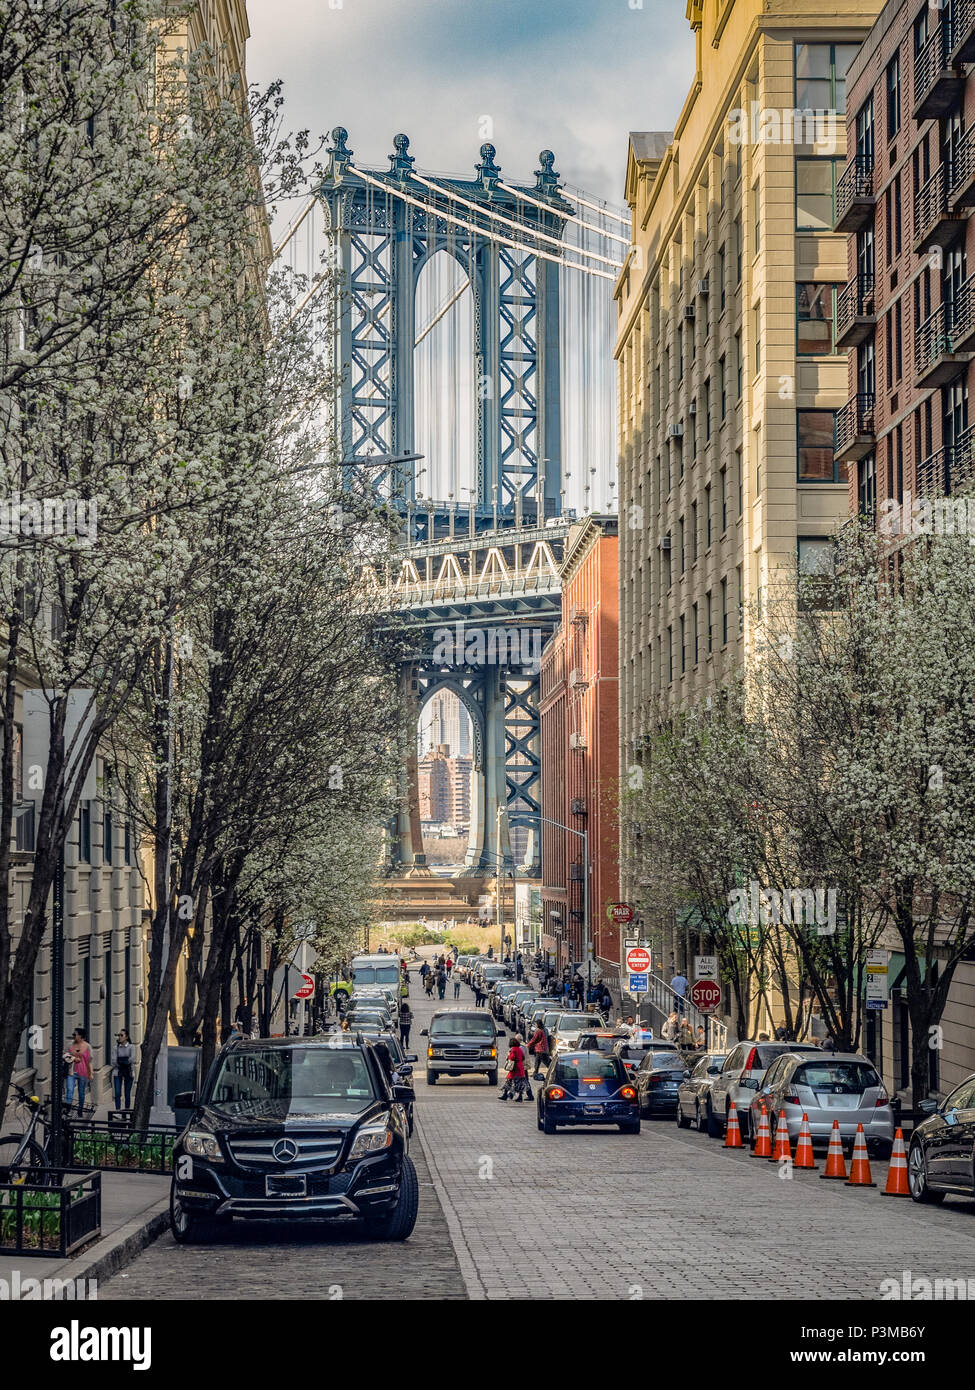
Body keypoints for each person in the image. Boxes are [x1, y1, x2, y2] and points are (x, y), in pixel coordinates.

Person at [65, 1028, 92, 1116]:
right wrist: (73, 1058)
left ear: (80, 1036)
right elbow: (64, 1055)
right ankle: (68, 1110)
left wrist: (90, 1073)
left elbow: (89, 1060)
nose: (73, 1036)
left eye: (75, 1034)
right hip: (71, 1071)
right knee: (69, 1090)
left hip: (83, 1072)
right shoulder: (70, 1045)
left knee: (81, 1092)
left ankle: (80, 1110)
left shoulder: (87, 1046)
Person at [499, 1034, 531, 1101]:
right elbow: (523, 1057)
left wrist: (509, 1055)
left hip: (515, 1068)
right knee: (519, 1083)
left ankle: (506, 1095)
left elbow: (511, 1058)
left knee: (509, 1081)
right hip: (520, 1067)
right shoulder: (520, 1048)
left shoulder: (513, 1049)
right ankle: (518, 1096)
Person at [111, 1029, 136, 1110]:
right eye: (119, 1035)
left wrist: (122, 1061)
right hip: (117, 1072)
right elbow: (114, 1061)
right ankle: (118, 1110)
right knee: (117, 1093)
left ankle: (126, 1110)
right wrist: (123, 1062)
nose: (119, 1037)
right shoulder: (115, 1048)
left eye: (121, 1035)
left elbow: (132, 1058)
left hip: (129, 1072)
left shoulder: (131, 1047)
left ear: (127, 1037)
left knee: (127, 1093)